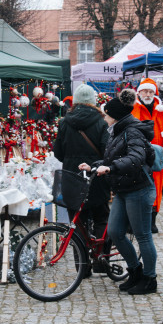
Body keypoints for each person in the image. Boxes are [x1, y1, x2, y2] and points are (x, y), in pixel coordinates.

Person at [78, 91, 158, 295]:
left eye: (106, 114)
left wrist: (111, 168)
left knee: (143, 236)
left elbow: (136, 158)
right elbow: (113, 158)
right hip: (124, 188)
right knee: (114, 232)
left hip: (139, 189)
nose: (104, 118)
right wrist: (94, 166)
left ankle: (149, 279)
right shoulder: (117, 130)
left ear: (115, 115)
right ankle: (135, 271)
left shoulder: (132, 131)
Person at [52, 84, 111, 271]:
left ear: (75, 102)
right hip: (96, 177)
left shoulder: (64, 122)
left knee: (77, 221)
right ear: (93, 102)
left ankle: (82, 267)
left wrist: (71, 159)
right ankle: (101, 260)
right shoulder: (102, 122)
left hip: (72, 176)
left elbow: (58, 152)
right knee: (101, 217)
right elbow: (106, 152)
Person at [131, 78, 163, 232]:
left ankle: (152, 221)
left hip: (156, 156)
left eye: (150, 91)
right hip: (137, 155)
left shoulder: (161, 112)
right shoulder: (133, 110)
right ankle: (136, 221)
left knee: (156, 188)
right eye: (145, 91)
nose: (148, 94)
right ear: (139, 92)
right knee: (136, 187)